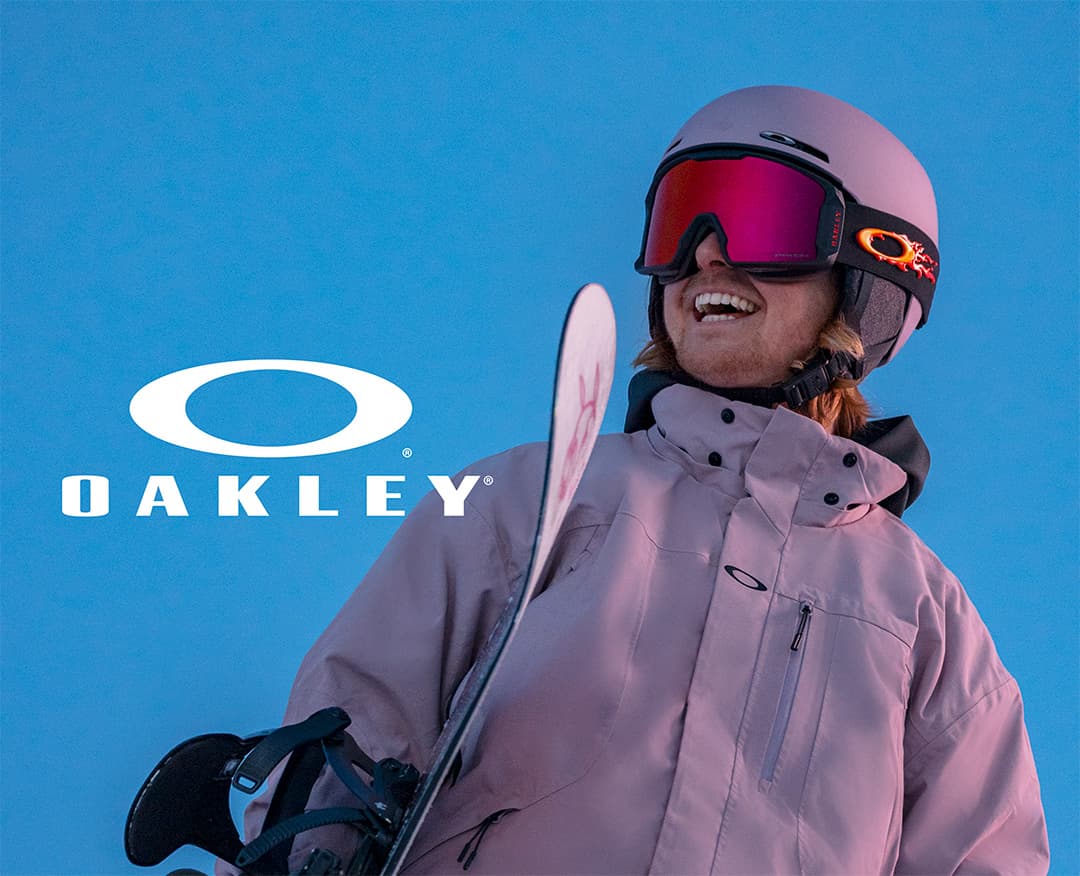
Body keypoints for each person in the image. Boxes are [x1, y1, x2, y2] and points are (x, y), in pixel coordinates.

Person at [225, 85, 1049, 875]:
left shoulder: (923, 620)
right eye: (680, 225)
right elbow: (350, 726)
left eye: (761, 220)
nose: (707, 255)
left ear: (871, 280)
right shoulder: (525, 503)